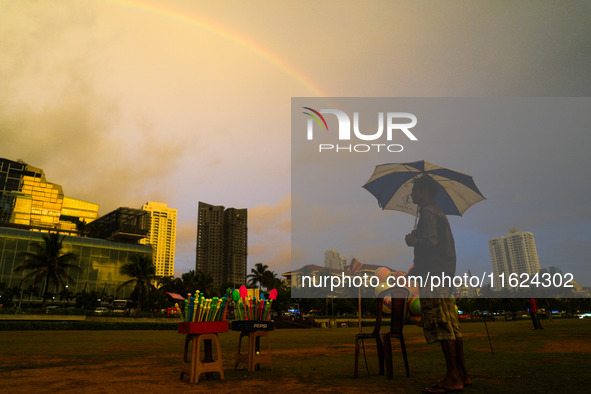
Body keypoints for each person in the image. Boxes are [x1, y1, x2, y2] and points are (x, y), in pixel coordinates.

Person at [404, 175, 470, 393]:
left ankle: (453, 378)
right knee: (451, 324)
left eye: (414, 191)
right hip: (443, 273)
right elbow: (434, 239)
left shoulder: (429, 212)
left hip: (434, 274)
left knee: (442, 323)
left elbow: (430, 243)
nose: (412, 194)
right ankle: (461, 373)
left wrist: (414, 240)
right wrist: (419, 236)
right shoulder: (436, 212)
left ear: (423, 191)